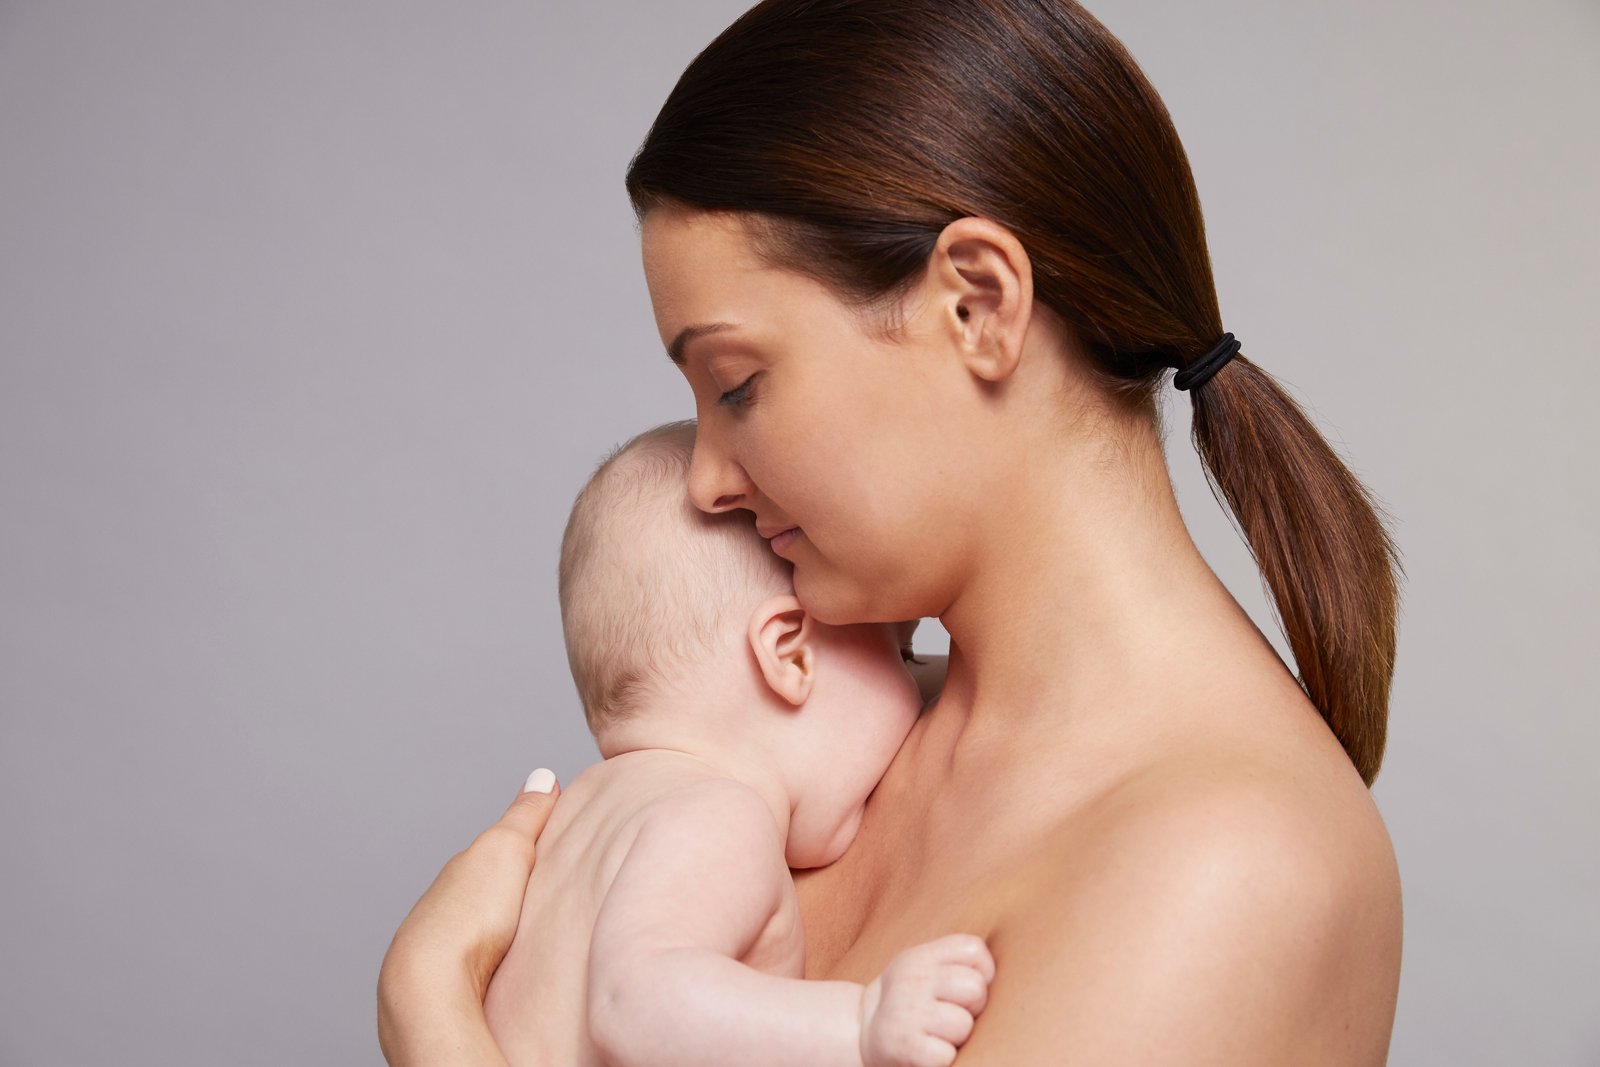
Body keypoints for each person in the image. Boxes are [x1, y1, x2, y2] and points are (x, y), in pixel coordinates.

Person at [378, 0, 1406, 1063]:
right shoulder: (842, 737)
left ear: (975, 304)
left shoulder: (1226, 865)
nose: (705, 480)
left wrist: (432, 1016)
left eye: (735, 384)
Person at [481, 419, 994, 1067]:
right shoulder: (719, 815)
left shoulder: (578, 819)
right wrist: (859, 1022)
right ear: (789, 654)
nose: (921, 694)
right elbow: (631, 1006)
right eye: (905, 650)